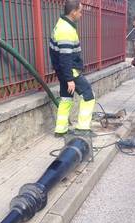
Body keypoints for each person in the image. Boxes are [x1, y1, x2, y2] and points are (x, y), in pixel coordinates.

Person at [49, 0, 95, 136]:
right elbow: (65, 58)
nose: (81, 14)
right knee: (88, 95)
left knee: (66, 98)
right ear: (73, 12)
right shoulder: (66, 30)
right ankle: (83, 128)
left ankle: (60, 130)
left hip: (62, 71)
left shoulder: (61, 24)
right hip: (70, 71)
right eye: (80, 11)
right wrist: (70, 79)